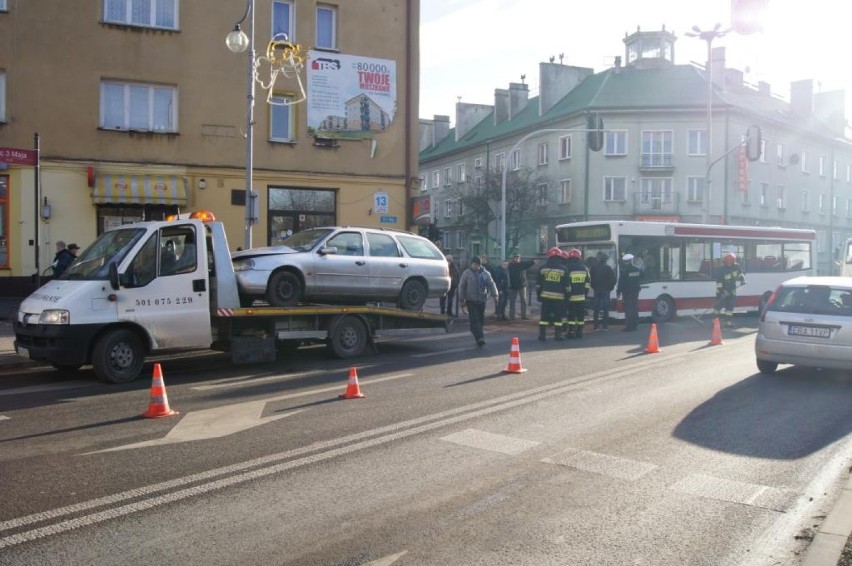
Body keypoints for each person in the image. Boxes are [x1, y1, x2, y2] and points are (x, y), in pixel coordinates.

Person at [458, 256, 499, 346]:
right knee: (475, 319)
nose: (475, 266)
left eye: (477, 265)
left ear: (480, 265)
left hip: (482, 300)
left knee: (480, 320)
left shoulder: (485, 273)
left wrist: (495, 294)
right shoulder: (467, 273)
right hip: (470, 300)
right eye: (473, 264)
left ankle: (475, 331)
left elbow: (491, 284)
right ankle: (480, 338)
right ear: (471, 264)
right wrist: (461, 299)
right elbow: (461, 286)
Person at [536, 247, 570, 341]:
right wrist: (567, 297)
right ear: (559, 256)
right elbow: (567, 287)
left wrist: (539, 296)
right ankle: (557, 336)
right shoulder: (564, 269)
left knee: (544, 317)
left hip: (545, 297)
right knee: (558, 318)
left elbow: (538, 285)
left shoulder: (542, 268)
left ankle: (542, 335)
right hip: (558, 298)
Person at [563, 248, 591, 339]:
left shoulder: (567, 267)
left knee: (571, 315)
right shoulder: (584, 267)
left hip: (571, 297)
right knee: (580, 315)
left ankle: (571, 332)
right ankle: (579, 332)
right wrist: (585, 294)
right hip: (581, 296)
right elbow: (588, 283)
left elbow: (566, 283)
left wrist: (567, 294)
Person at [714, 252, 746, 327]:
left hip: (732, 291)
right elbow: (719, 282)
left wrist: (743, 280)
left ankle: (728, 323)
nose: (730, 262)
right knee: (718, 307)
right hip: (721, 292)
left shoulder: (737, 266)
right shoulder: (722, 269)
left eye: (731, 260)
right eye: (728, 261)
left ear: (733, 260)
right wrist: (723, 292)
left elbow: (740, 274)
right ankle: (714, 322)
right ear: (725, 261)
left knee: (729, 308)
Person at [589, 252, 617, 331]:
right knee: (605, 309)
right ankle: (605, 326)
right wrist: (609, 288)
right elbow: (613, 280)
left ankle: (596, 326)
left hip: (597, 290)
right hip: (606, 291)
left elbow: (590, 279)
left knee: (596, 309)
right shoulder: (608, 268)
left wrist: (594, 287)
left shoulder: (593, 268)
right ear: (605, 261)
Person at [617, 253, 642, 331]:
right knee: (634, 307)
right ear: (631, 260)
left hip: (627, 293)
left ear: (625, 261)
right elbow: (643, 276)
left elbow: (621, 282)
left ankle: (629, 326)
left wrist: (618, 292)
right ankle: (635, 324)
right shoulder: (637, 269)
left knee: (628, 309)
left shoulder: (624, 271)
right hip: (635, 292)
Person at [507, 253, 537, 320]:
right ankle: (512, 316)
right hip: (513, 286)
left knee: (523, 301)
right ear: (513, 258)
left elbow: (530, 263)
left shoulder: (523, 264)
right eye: (515, 257)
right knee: (512, 301)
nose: (517, 259)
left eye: (518, 258)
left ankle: (524, 315)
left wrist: (534, 261)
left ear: (520, 258)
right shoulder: (510, 265)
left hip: (522, 286)